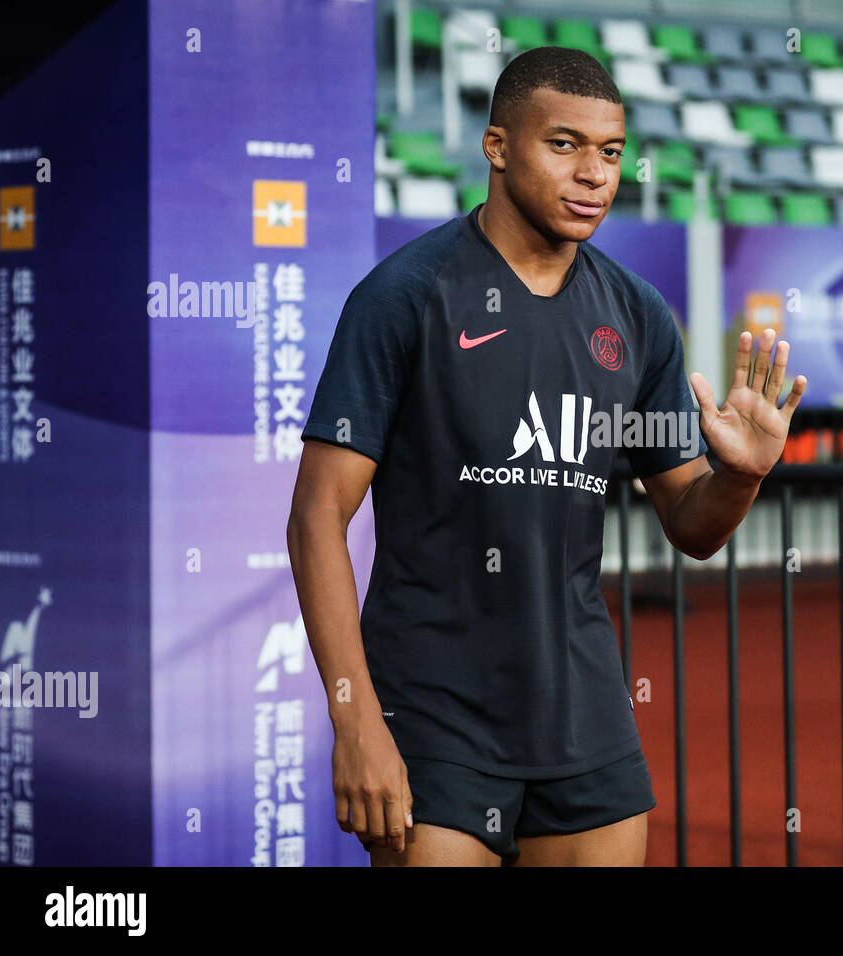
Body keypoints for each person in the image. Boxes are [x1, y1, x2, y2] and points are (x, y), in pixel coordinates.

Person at [286, 46, 806, 867]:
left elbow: (691, 526)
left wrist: (739, 476)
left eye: (610, 153)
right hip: (432, 713)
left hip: (584, 713)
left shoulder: (636, 313)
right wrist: (355, 721)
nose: (594, 174)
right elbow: (317, 516)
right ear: (497, 148)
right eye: (563, 145)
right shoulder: (404, 295)